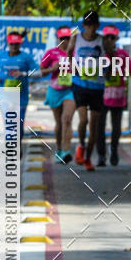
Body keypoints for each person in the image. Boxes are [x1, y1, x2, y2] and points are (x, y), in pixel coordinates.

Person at [97, 26, 131, 166]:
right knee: (100, 127)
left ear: (116, 39)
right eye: (107, 37)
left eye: (112, 37)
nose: (110, 40)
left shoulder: (122, 54)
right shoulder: (100, 55)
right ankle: (101, 155)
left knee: (116, 128)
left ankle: (114, 150)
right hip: (101, 96)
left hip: (118, 96)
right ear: (104, 39)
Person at [68, 10, 106, 171]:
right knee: (83, 120)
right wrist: (72, 67)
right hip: (80, 85)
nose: (90, 28)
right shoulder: (76, 38)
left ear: (97, 25)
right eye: (87, 25)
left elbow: (111, 56)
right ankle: (81, 146)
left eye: (93, 25)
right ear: (83, 25)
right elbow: (69, 54)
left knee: (94, 126)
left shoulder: (102, 40)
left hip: (97, 86)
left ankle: (88, 158)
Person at [0, 31, 37, 137]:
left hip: (21, 97)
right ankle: (11, 150)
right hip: (4, 95)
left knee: (19, 124)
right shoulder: (0, 56)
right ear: (8, 43)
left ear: (20, 44)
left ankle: (17, 145)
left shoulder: (26, 57)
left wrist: (24, 74)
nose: (14, 46)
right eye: (12, 44)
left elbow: (37, 72)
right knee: (9, 123)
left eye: (16, 44)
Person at [40, 25, 75, 163]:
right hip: (55, 90)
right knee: (59, 123)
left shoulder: (75, 52)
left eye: (68, 38)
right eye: (63, 38)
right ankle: (59, 149)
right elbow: (42, 70)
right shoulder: (51, 52)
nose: (65, 41)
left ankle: (66, 151)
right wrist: (52, 69)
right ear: (58, 39)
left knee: (67, 119)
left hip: (71, 90)